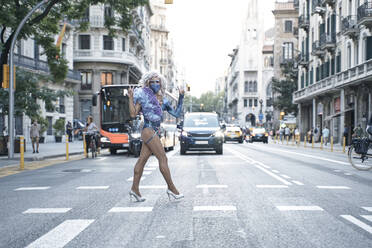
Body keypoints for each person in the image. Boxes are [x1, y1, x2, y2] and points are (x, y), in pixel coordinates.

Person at [128, 71, 184, 202]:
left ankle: (134, 189)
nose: (154, 84)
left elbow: (176, 114)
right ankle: (171, 188)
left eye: (157, 81)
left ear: (161, 83)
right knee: (163, 158)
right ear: (147, 82)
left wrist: (181, 97)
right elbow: (132, 114)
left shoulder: (163, 100)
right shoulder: (142, 96)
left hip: (156, 131)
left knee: (142, 161)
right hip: (148, 130)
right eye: (152, 81)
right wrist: (130, 98)